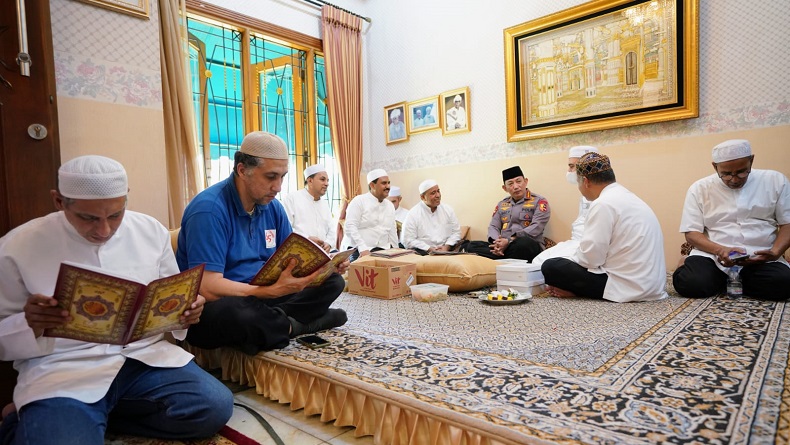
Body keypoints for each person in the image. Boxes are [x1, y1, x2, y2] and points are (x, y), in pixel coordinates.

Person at [0, 155, 233, 444]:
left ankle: (83, 418)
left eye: (115, 215)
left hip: (143, 359)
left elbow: (172, 294)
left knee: (212, 407)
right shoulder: (18, 246)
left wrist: (187, 311)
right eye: (88, 218)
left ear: (125, 199)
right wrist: (30, 323)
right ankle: (38, 420)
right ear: (59, 202)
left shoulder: (149, 230)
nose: (104, 230)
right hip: (64, 370)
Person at [177, 132, 349, 355]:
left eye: (282, 177)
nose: (278, 187)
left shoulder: (272, 207)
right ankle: (298, 325)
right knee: (238, 314)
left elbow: (288, 260)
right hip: (222, 303)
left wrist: (322, 266)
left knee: (333, 282)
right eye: (270, 177)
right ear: (242, 170)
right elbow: (208, 288)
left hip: (263, 296)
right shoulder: (209, 210)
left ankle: (275, 324)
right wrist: (267, 293)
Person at [541, 152, 668, 302]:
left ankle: (577, 290)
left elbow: (590, 259)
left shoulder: (603, 204)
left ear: (586, 181)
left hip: (626, 286)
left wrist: (572, 258)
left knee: (551, 266)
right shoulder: (629, 197)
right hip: (653, 285)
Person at [673, 139, 790, 300]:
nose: (734, 179)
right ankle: (696, 269)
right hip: (713, 256)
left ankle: (728, 281)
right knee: (691, 284)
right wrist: (720, 250)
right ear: (715, 167)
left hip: (758, 257)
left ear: (751, 161)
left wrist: (776, 252)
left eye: (742, 172)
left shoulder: (776, 181)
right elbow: (691, 232)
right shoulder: (699, 188)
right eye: (726, 174)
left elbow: (787, 224)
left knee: (784, 284)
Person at [532, 145, 599, 266]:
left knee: (548, 265)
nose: (569, 171)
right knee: (538, 261)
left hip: (588, 248)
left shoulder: (601, 197)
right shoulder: (584, 195)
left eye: (572, 166)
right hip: (575, 243)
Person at [464, 166, 549, 261]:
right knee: (471, 245)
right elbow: (493, 226)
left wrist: (509, 241)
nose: (516, 186)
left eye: (518, 181)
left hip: (527, 246)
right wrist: (497, 243)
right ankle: (503, 255)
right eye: (510, 184)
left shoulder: (539, 201)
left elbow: (536, 227)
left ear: (525, 181)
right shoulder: (502, 204)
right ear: (505, 188)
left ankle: (501, 258)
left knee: (524, 243)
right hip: (506, 248)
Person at [340, 168, 399, 258]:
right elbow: (350, 227)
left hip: (382, 250)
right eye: (384, 183)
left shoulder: (389, 205)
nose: (388, 186)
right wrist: (363, 248)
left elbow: (392, 231)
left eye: (388, 183)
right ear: (372, 185)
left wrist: (397, 251)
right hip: (358, 250)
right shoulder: (359, 201)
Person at [282, 163, 336, 252]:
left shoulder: (324, 204)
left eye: (327, 180)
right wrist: (306, 239)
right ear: (310, 181)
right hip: (299, 251)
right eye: (322, 179)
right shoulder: (292, 199)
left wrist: (329, 243)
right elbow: (286, 228)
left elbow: (331, 229)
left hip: (323, 253)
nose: (326, 184)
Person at [401, 179, 462, 255]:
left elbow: (456, 232)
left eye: (438, 191)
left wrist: (447, 247)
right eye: (433, 193)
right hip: (424, 252)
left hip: (447, 249)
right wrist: (428, 248)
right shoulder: (413, 214)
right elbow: (407, 240)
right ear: (423, 197)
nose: (438, 195)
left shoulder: (447, 210)